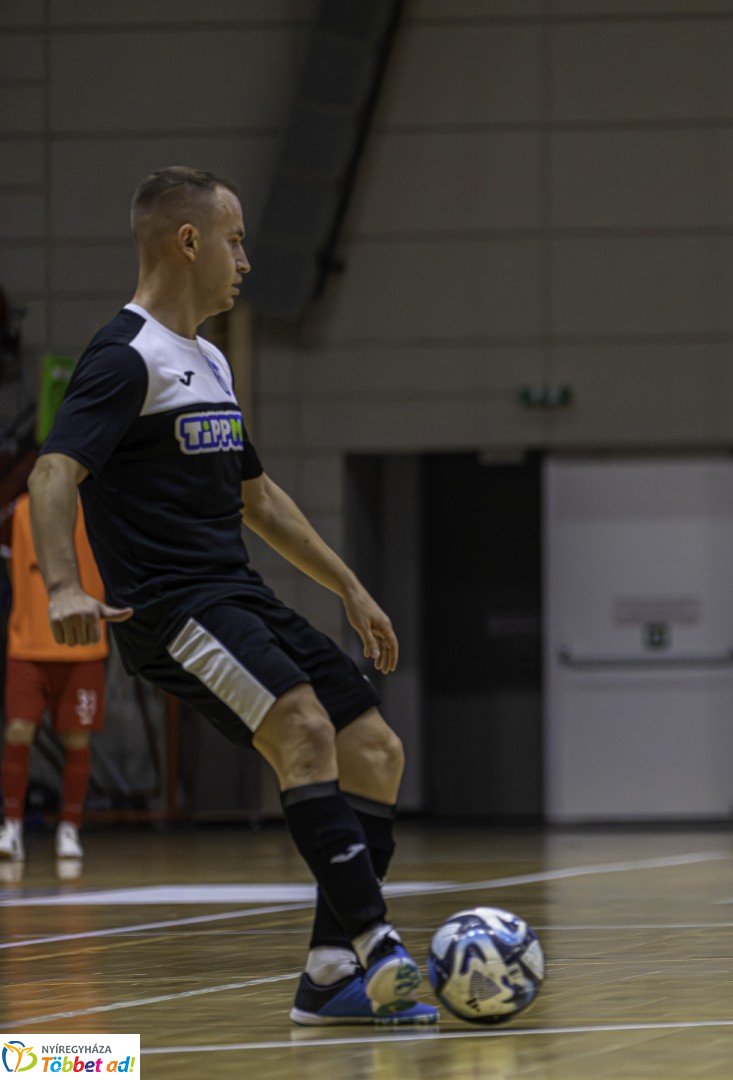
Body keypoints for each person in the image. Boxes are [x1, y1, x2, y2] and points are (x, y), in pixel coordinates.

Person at [29, 166, 435, 1026]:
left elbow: (259, 499)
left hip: (235, 596)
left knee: (375, 748)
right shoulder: (122, 357)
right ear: (189, 241)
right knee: (305, 728)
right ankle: (379, 948)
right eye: (236, 238)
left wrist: (350, 587)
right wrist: (64, 582)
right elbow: (53, 471)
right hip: (171, 614)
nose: (246, 259)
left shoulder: (209, 359)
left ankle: (328, 976)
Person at [0, 490, 107, 862]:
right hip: (27, 644)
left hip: (83, 646)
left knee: (77, 740)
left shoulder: (101, 508)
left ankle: (69, 827)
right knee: (17, 730)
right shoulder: (23, 510)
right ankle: (11, 826)